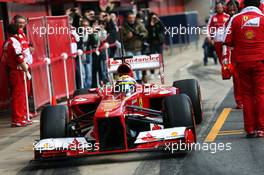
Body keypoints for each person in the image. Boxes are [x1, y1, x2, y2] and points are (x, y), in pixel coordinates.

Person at [223, 0, 264, 137]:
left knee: (246, 94)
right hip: (260, 61)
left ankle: (250, 128)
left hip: (242, 62)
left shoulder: (235, 19)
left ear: (243, 5)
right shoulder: (263, 18)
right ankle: (261, 128)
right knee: (261, 94)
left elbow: (227, 40)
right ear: (259, 5)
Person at [1, 24, 32, 127]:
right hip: (16, 71)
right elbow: (19, 57)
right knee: (18, 96)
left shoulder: (7, 42)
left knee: (19, 95)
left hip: (13, 71)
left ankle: (21, 117)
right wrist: (26, 68)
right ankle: (18, 119)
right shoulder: (14, 41)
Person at [222, 0, 243, 109]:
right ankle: (239, 101)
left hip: (244, 52)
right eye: (229, 8)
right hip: (233, 54)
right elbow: (225, 42)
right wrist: (225, 58)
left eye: (233, 8)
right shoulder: (227, 23)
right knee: (236, 78)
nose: (231, 10)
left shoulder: (241, 19)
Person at [121, 11, 148, 81]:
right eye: (130, 18)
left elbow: (145, 32)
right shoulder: (123, 27)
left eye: (133, 17)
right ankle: (134, 79)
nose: (132, 19)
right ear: (127, 18)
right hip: (129, 49)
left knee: (139, 65)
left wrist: (142, 34)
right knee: (131, 66)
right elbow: (121, 38)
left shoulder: (139, 24)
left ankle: (139, 79)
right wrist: (127, 36)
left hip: (138, 48)